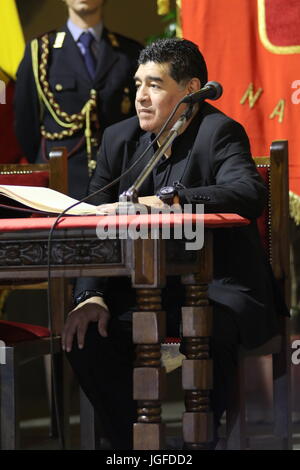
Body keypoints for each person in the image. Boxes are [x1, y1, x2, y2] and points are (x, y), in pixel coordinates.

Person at [62, 38, 286, 449]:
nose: (141, 97)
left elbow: (247, 192)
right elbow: (92, 220)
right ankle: (138, 446)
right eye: (137, 85)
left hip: (218, 286)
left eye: (155, 84)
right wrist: (90, 294)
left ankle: (200, 442)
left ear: (190, 90)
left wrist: (174, 198)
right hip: (147, 291)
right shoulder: (119, 139)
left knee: (208, 330)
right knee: (89, 333)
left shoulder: (219, 131)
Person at [14, 0, 142, 199]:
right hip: (60, 183)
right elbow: (25, 124)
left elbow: (139, 123)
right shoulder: (39, 52)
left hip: (117, 181)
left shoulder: (129, 52)